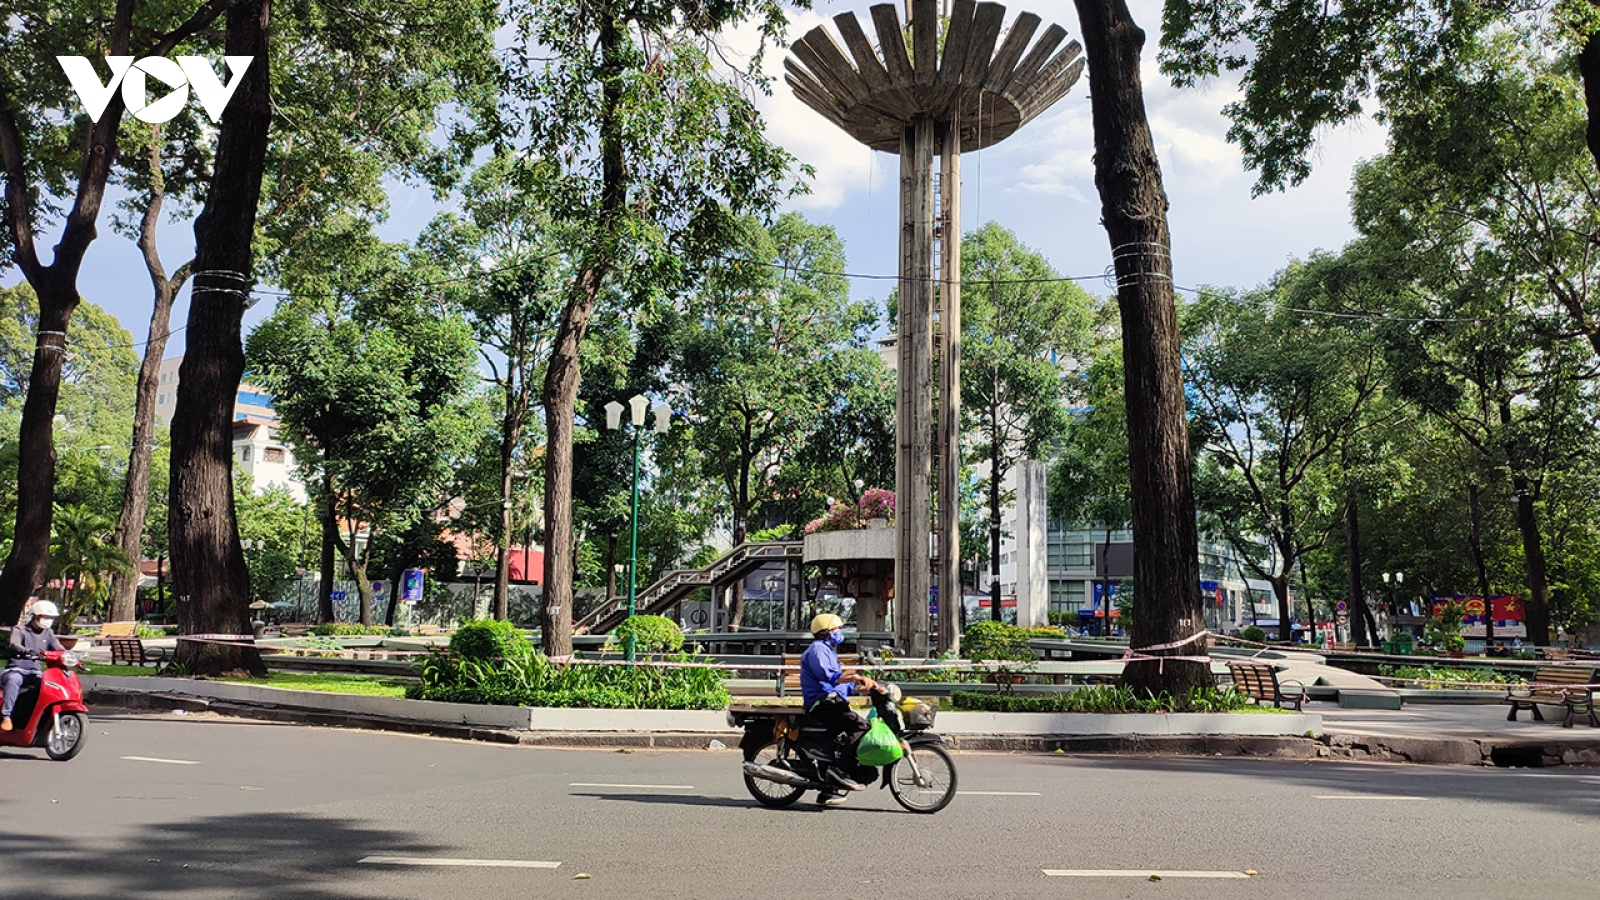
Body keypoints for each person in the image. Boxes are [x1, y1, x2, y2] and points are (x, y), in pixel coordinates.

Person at [799, 612, 879, 807]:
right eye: (836, 629)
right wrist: (854, 677)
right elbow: (829, 677)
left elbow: (839, 683)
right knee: (859, 726)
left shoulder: (828, 650)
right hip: (821, 703)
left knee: (842, 737)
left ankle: (828, 789)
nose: (840, 632)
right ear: (825, 631)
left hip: (832, 701)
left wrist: (861, 686)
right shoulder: (817, 650)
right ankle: (839, 771)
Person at [3, 599, 64, 731]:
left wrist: (70, 656)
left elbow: (59, 649)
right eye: (45, 617)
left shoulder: (48, 633)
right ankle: (6, 716)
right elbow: (14, 644)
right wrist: (26, 651)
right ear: (35, 616)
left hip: (35, 673)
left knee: (50, 686)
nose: (48, 621)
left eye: (51, 618)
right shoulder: (20, 630)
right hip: (16, 669)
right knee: (14, 680)